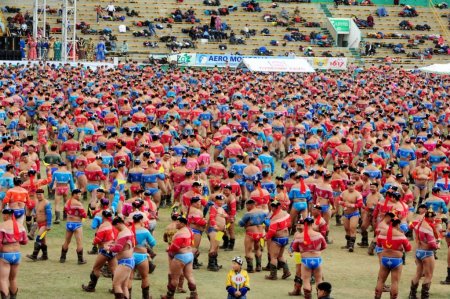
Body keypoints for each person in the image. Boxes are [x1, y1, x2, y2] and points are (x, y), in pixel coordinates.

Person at [374, 216, 412, 299]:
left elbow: (379, 245)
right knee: (395, 282)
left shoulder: (382, 233)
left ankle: (377, 297)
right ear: (398, 224)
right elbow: (408, 248)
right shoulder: (401, 235)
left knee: (380, 280)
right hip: (396, 261)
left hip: (384, 259)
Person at [161, 215, 197, 299]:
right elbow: (192, 242)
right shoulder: (189, 230)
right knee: (189, 276)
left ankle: (169, 296)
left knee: (174, 278)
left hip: (180, 256)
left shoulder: (180, 233)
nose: (176, 223)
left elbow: (175, 248)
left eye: (178, 222)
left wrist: (168, 248)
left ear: (182, 223)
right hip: (189, 255)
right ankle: (194, 295)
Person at [290, 215, 327, 299]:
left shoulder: (299, 236)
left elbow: (294, 248)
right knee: (319, 280)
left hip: (306, 260)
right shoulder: (319, 235)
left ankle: (308, 296)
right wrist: (316, 250)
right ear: (312, 223)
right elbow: (324, 246)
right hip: (317, 259)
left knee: (306, 280)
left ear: (304, 224)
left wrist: (303, 251)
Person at [82, 210, 117, 293]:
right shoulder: (113, 225)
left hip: (104, 250)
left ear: (103, 216)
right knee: (114, 270)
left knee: (96, 269)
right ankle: (116, 288)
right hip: (113, 249)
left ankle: (91, 287)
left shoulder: (103, 226)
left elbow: (97, 240)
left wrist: (93, 242)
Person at [409, 210, 440, 299]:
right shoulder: (428, 228)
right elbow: (432, 244)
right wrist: (437, 245)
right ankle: (424, 297)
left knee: (418, 274)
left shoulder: (419, 224)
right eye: (433, 217)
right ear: (429, 217)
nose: (434, 219)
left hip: (419, 251)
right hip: (427, 253)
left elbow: (414, 230)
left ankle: (412, 295)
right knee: (428, 275)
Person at [0, 208, 28, 299]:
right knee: (13, 279)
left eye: (3, 215)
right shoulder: (20, 226)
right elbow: (24, 241)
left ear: (6, 215)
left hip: (5, 255)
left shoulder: (2, 226)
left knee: (3, 280)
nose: (2, 216)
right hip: (17, 255)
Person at [130, 213, 156, 299]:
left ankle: (128, 296)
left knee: (129, 278)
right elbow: (153, 243)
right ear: (141, 220)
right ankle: (146, 297)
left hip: (130, 256)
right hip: (142, 256)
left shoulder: (129, 229)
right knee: (145, 277)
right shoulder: (145, 231)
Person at [265, 200, 291, 280]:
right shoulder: (286, 214)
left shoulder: (275, 219)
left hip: (277, 239)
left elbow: (272, 231)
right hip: (285, 237)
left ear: (273, 207)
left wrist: (266, 237)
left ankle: (273, 275)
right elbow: (289, 223)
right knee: (280, 256)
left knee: (273, 257)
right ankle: (286, 272)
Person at [59, 189, 87, 265]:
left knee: (67, 241)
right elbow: (84, 215)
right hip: (77, 224)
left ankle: (62, 258)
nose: (79, 195)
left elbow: (65, 209)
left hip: (69, 223)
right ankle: (80, 260)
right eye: (77, 194)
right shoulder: (78, 203)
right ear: (73, 194)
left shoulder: (68, 201)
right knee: (79, 242)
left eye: (80, 194)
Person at [26, 189, 52, 261]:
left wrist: (49, 225)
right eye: (37, 194)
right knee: (43, 241)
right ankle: (45, 256)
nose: (38, 196)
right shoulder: (37, 202)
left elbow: (49, 215)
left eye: (40, 194)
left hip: (44, 225)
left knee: (39, 238)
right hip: (39, 224)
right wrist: (34, 213)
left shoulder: (46, 203)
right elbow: (35, 209)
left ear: (43, 194)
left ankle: (34, 255)